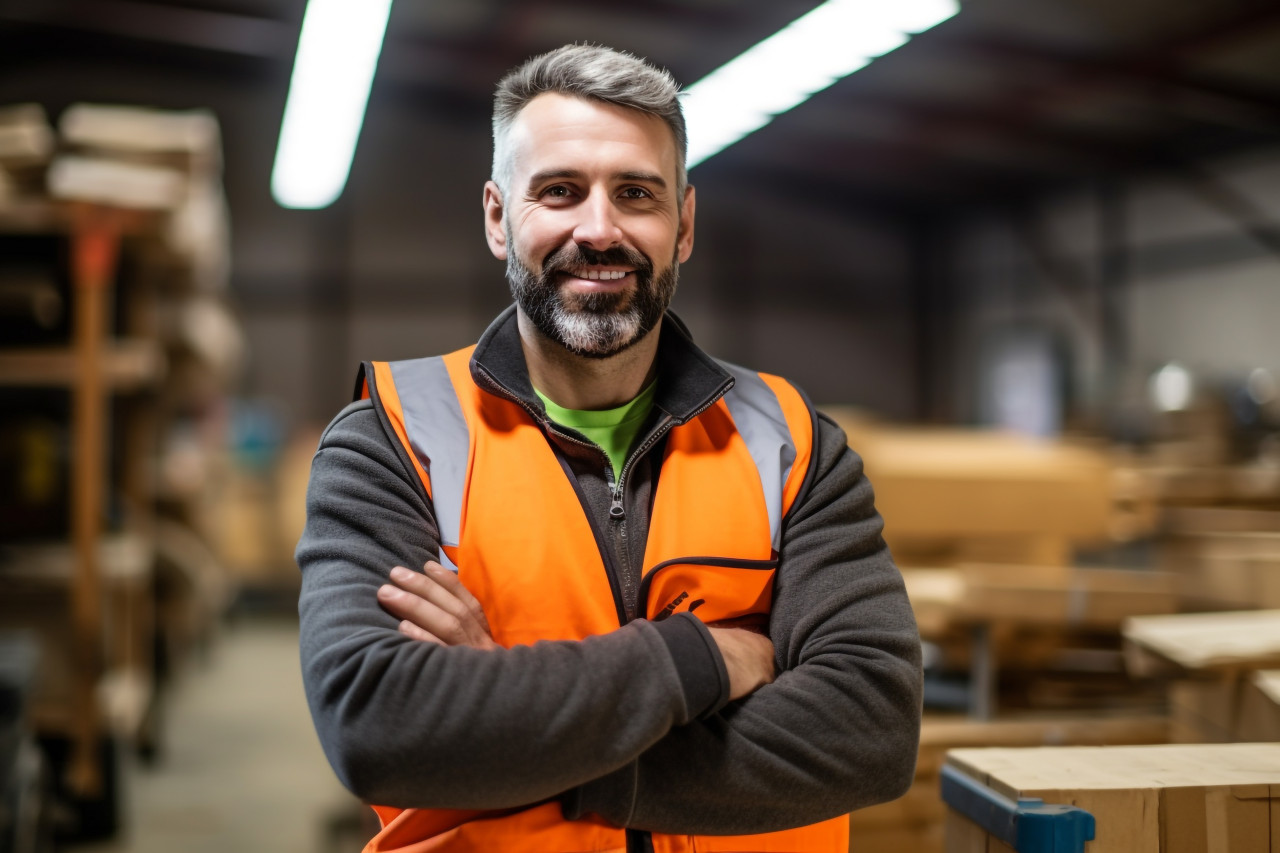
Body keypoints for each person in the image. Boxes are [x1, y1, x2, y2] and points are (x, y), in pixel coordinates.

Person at [296, 43, 922, 853]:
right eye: (559, 191)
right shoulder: (394, 437)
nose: (599, 230)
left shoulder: (789, 443)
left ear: (683, 225)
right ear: (497, 218)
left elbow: (871, 727)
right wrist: (698, 661)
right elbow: (378, 726)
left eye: (636, 194)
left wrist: (518, 729)